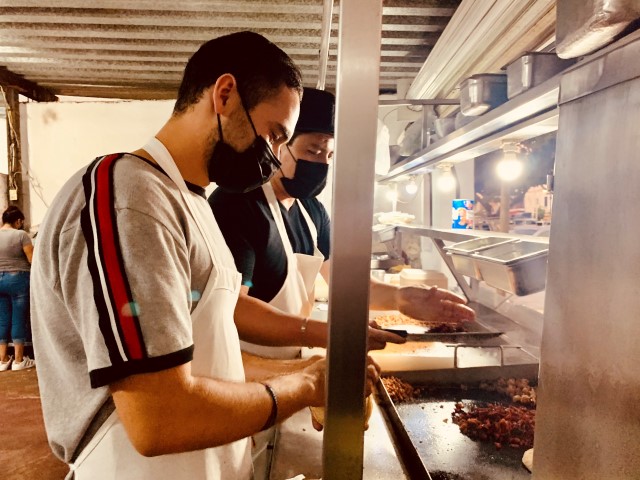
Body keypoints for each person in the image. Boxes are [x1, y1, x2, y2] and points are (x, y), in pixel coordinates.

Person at [31, 31, 379, 480]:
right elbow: (159, 418)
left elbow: (218, 327)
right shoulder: (127, 197)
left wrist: (318, 353)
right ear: (226, 94)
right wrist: (304, 385)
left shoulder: (190, 199)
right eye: (274, 135)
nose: (275, 157)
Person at [209, 87, 476, 360]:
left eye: (329, 155)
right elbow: (234, 309)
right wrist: (328, 334)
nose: (321, 163)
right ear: (279, 145)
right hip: (244, 368)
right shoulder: (237, 205)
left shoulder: (311, 211)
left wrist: (401, 298)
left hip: (293, 360)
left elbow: (344, 283)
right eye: (313, 150)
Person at [0, 206, 35, 371]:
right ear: (18, 221)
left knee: (2, 319)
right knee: (18, 318)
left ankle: (3, 359)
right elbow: (32, 259)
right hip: (18, 279)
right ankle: (19, 360)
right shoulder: (21, 235)